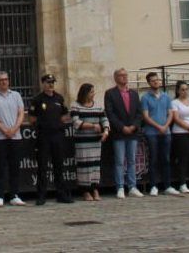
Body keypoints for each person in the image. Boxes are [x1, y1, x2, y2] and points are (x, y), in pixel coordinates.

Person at [30, 73, 74, 205]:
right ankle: (41, 195)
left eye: (52, 83)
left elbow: (65, 114)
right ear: (43, 84)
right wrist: (43, 124)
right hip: (44, 136)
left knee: (59, 166)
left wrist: (58, 121)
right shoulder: (37, 99)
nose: (50, 85)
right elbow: (32, 118)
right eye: (48, 83)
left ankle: (61, 194)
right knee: (43, 167)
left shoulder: (59, 98)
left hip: (58, 136)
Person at [0, 71, 26, 207]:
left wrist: (14, 128)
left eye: (6, 79)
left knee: (14, 167)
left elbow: (21, 113)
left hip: (15, 136)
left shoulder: (16, 95)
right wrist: (4, 130)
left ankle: (14, 195)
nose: (4, 82)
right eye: (1, 80)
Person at [104, 67, 143, 198]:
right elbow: (110, 113)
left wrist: (134, 126)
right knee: (120, 161)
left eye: (125, 75)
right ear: (115, 78)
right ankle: (120, 186)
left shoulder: (134, 93)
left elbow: (139, 112)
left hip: (132, 132)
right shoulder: (110, 93)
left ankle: (132, 186)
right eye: (121, 75)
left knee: (132, 160)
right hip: (119, 133)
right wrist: (122, 127)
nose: (124, 77)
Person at [69, 83, 110, 201]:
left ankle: (95, 188)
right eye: (91, 92)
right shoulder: (75, 106)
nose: (93, 94)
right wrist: (92, 126)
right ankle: (85, 190)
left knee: (95, 166)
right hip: (82, 142)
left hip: (95, 142)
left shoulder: (98, 106)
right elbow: (76, 122)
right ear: (85, 93)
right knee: (84, 166)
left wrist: (106, 130)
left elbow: (104, 119)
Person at [141, 71, 174, 195]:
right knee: (153, 159)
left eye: (157, 80)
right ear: (149, 83)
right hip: (152, 133)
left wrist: (165, 126)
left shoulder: (166, 96)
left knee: (166, 159)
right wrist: (158, 126)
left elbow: (170, 113)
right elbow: (145, 116)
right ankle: (153, 186)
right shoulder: (145, 97)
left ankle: (167, 185)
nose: (156, 82)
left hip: (166, 132)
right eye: (153, 80)